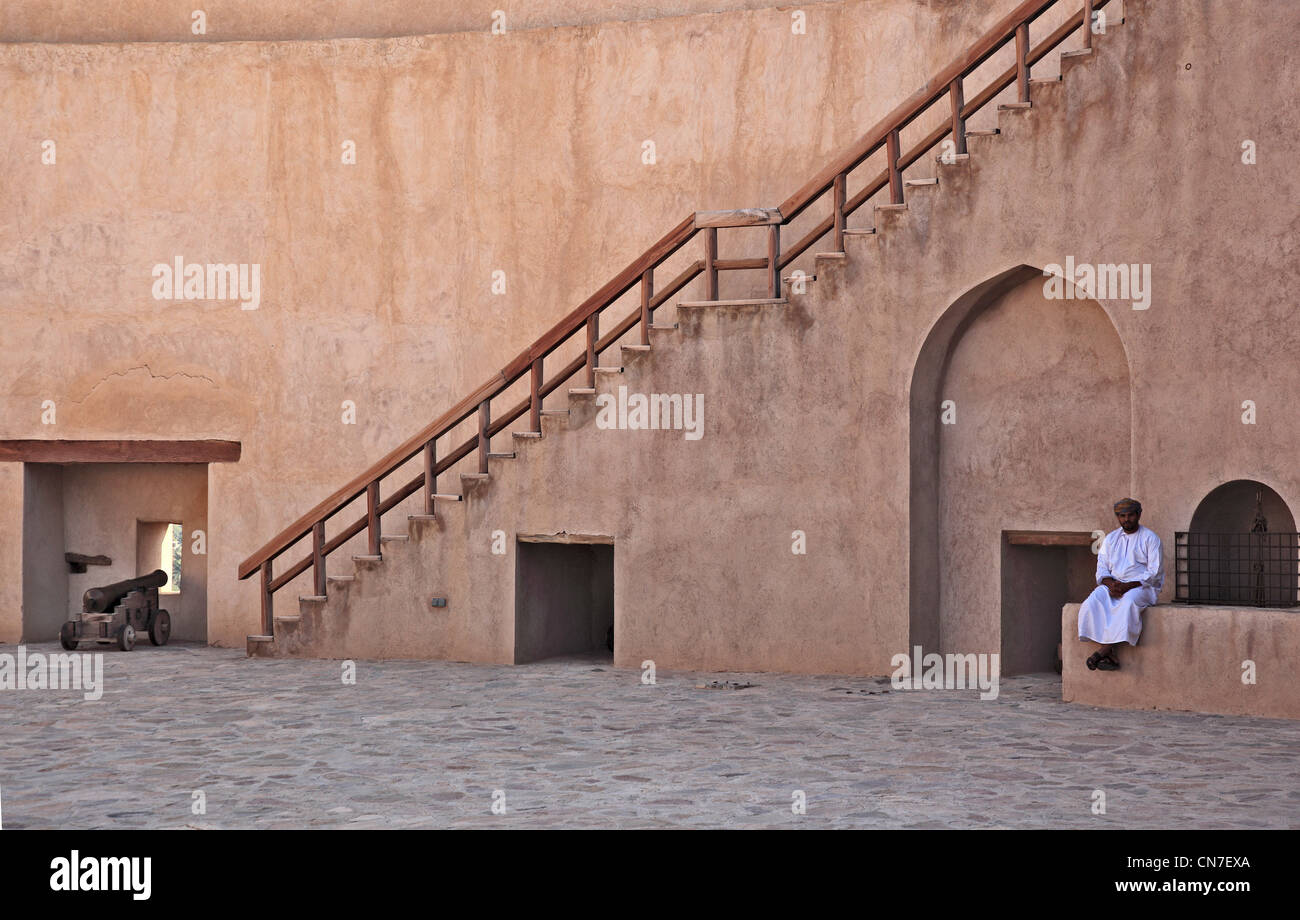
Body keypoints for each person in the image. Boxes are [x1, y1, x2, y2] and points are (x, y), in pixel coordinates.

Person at [1078, 498, 1164, 671]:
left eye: (1130, 515)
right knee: (1092, 601)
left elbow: (1154, 572)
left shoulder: (1150, 538)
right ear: (1118, 517)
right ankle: (1109, 653)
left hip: (1142, 587)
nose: (1126, 519)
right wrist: (1110, 584)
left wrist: (1128, 586)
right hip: (1114, 585)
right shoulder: (1111, 539)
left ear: (1139, 514)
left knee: (1128, 603)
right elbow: (1102, 567)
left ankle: (1105, 649)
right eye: (1122, 516)